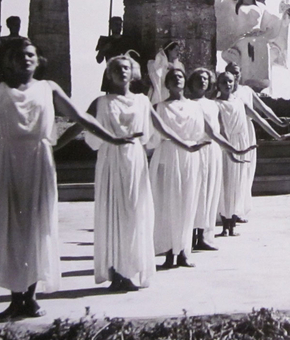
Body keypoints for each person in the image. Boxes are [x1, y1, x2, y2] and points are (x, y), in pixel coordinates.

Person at [0, 39, 134, 318]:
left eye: (30, 55)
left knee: (37, 227)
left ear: (39, 61)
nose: (25, 59)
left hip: (38, 162)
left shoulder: (49, 88)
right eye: (19, 56)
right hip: (6, 164)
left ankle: (31, 295)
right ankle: (16, 297)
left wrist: (112, 137)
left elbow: (80, 117)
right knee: (11, 228)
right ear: (9, 62)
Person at [80, 55, 201, 291]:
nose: (121, 72)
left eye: (126, 68)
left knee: (135, 214)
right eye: (116, 68)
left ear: (133, 73)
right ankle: (116, 273)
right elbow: (80, 123)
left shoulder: (142, 102)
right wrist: (54, 148)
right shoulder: (101, 102)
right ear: (109, 74)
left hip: (135, 162)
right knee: (113, 215)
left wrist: (185, 145)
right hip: (111, 162)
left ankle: (131, 270)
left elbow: (161, 127)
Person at [149, 67, 219, 270]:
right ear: (168, 84)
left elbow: (211, 132)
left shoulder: (195, 107)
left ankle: (184, 252)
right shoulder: (159, 107)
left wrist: (234, 150)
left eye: (180, 76)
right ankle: (170, 253)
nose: (177, 79)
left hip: (190, 158)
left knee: (188, 204)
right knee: (169, 205)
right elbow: (153, 137)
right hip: (168, 157)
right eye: (173, 78)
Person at [215, 70, 285, 236]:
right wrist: (227, 146)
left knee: (238, 181)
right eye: (224, 82)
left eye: (230, 82)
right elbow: (219, 128)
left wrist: (278, 134)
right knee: (225, 181)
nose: (227, 85)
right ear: (218, 85)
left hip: (241, 142)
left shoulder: (240, 101)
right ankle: (224, 223)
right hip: (225, 145)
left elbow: (259, 119)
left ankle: (232, 223)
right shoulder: (215, 103)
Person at [187, 68, 249, 251]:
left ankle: (204, 236)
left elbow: (219, 132)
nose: (202, 82)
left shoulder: (212, 105)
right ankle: (190, 236)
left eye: (206, 79)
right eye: (198, 79)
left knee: (209, 193)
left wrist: (231, 152)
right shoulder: (190, 103)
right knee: (195, 193)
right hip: (195, 150)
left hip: (213, 152)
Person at [215, 0, 290, 92]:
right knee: (250, 43)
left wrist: (284, 17)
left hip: (258, 39)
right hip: (238, 40)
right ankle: (247, 81)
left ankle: (261, 83)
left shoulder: (260, 7)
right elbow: (216, 7)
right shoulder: (231, 5)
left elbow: (273, 23)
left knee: (261, 43)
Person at [94, 17, 129, 92]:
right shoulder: (105, 41)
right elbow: (99, 60)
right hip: (111, 73)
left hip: (124, 73)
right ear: (111, 26)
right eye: (116, 25)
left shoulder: (126, 41)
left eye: (120, 25)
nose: (119, 27)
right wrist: (104, 49)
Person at [147, 41, 182, 105]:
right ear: (169, 51)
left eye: (178, 50)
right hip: (161, 90)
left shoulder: (180, 65)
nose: (178, 52)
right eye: (176, 50)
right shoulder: (159, 64)